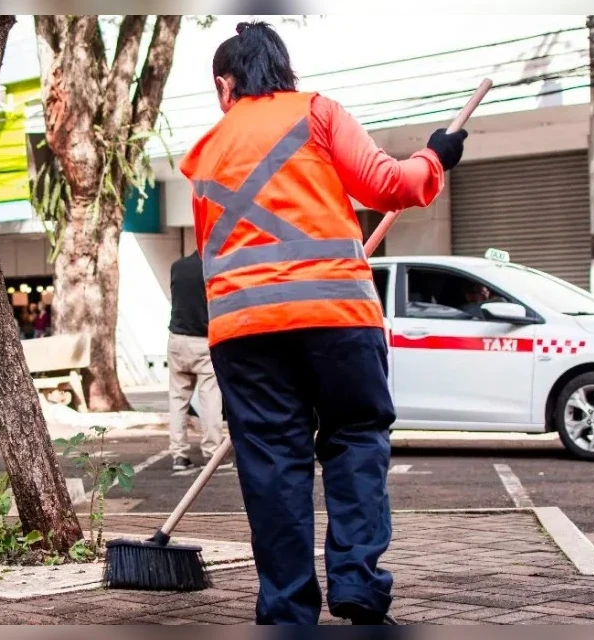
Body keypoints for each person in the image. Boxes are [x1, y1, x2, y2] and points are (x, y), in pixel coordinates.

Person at [179, 22, 468, 625]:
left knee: (272, 465)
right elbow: (390, 185)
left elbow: (212, 251)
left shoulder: (203, 155)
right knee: (355, 438)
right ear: (283, 70)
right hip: (337, 319)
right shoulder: (317, 113)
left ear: (225, 84)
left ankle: (287, 610)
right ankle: (358, 582)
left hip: (244, 333)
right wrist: (435, 156)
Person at [166, 251, 228, 471]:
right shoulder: (215, 268)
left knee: (177, 399)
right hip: (204, 340)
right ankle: (211, 454)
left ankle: (179, 455)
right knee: (210, 399)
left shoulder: (177, 266)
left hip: (177, 338)